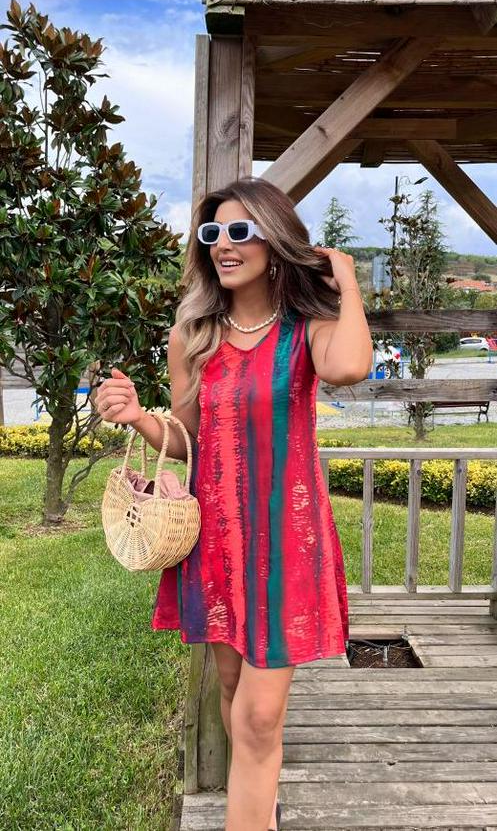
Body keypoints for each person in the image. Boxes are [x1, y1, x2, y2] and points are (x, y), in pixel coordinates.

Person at [95, 176, 373, 831]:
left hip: (286, 542)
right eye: (212, 232)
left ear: (274, 244)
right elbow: (187, 440)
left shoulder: (306, 329)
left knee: (257, 716)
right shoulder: (192, 336)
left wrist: (347, 282)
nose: (223, 244)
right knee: (231, 692)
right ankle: (261, 805)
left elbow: (349, 367)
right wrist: (140, 418)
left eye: (241, 231)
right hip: (215, 543)